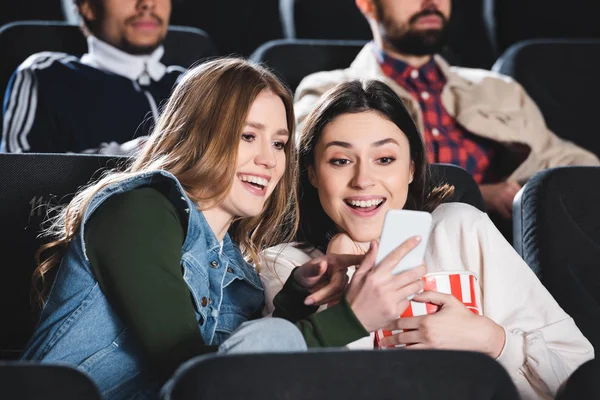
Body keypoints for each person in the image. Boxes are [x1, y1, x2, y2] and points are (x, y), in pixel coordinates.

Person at [21, 58, 389, 399]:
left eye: (279, 143)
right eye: (248, 136)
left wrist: (295, 299)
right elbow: (201, 377)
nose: (269, 159)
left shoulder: (236, 269)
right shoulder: (138, 211)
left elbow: (238, 364)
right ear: (199, 134)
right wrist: (348, 321)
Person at [261, 80, 594, 400]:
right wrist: (344, 293)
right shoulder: (285, 267)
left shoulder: (461, 228)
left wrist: (493, 341)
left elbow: (578, 376)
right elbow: (286, 387)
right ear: (312, 172)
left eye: (385, 159)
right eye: (341, 161)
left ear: (411, 168)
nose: (363, 180)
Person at [293, 0, 599, 222]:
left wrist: (528, 198)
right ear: (368, 5)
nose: (431, 3)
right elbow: (301, 180)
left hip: (514, 244)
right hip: (401, 245)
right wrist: (479, 194)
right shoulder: (328, 92)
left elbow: (575, 168)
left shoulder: (498, 90)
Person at [1, 0, 184, 154]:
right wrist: (115, 158)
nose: (147, 4)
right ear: (87, 6)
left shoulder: (189, 84)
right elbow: (18, 181)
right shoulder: (47, 76)